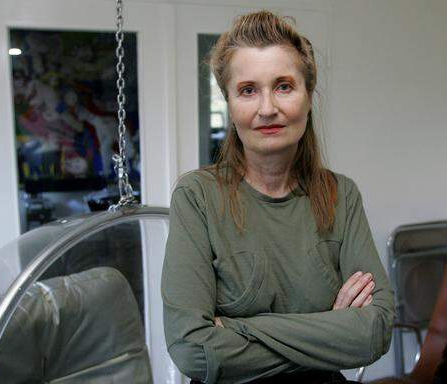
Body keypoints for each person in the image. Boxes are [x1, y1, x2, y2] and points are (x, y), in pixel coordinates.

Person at [161, 10, 395, 384]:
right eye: (248, 90)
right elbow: (195, 350)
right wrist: (329, 330)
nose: (267, 108)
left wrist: (237, 330)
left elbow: (375, 331)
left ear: (307, 96)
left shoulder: (341, 195)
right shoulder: (198, 197)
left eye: (284, 86)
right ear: (230, 103)